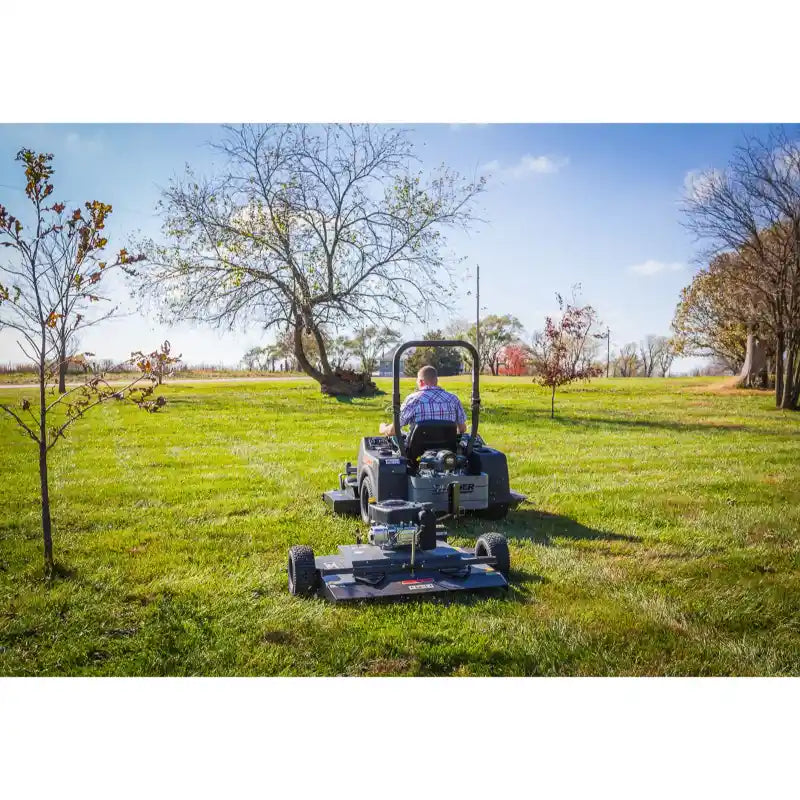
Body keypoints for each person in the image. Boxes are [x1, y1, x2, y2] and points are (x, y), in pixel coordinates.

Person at [379, 365, 467, 436]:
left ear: (421, 382)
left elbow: (394, 431)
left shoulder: (413, 400)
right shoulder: (453, 399)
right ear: (436, 380)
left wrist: (383, 428)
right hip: (448, 451)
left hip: (417, 452)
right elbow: (462, 429)